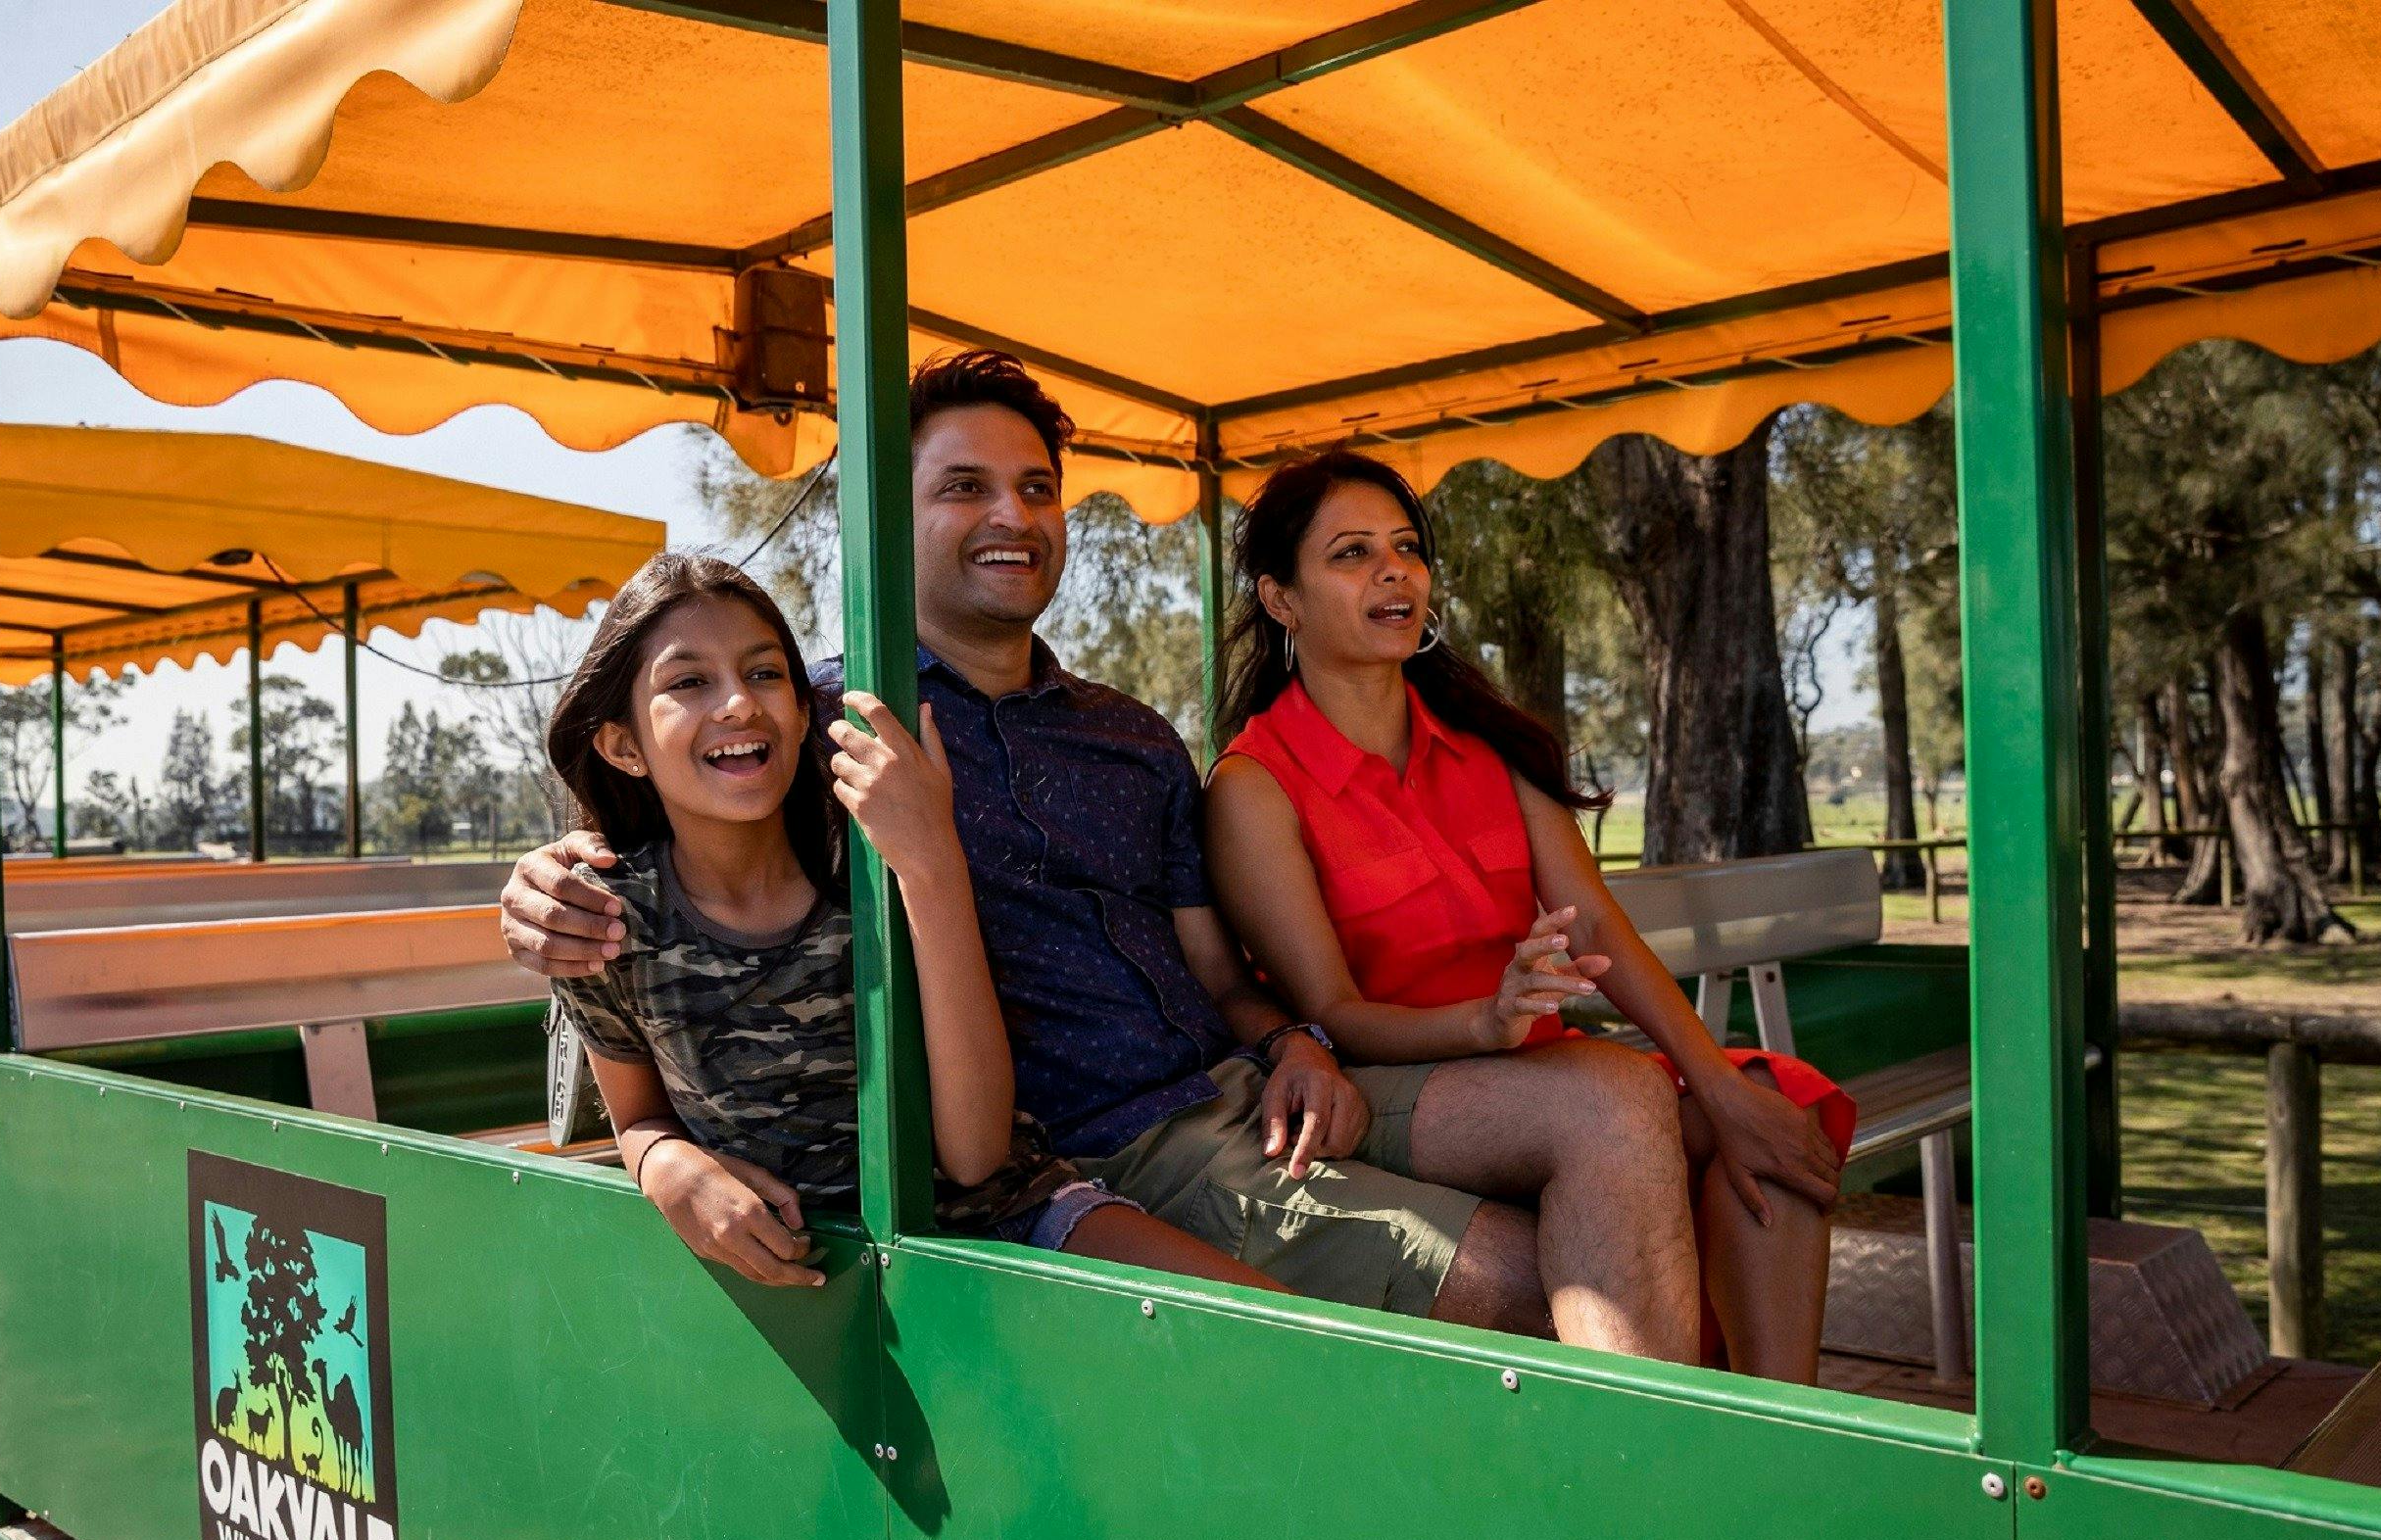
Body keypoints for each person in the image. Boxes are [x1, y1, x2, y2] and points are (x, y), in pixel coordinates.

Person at [504, 350, 1704, 1361]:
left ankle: (1712, 1523)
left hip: (1247, 1085)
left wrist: (1292, 1039)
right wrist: (546, 872)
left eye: (1036, 488)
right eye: (963, 487)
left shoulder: (1129, 736)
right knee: (1522, 1276)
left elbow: (1220, 973)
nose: (1012, 516)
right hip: (1104, 1138)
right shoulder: (824, 725)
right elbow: (675, 792)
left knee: (1624, 1106)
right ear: (887, 514)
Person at [1204, 449, 1854, 1381]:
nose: (1394, 571)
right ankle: (1650, 1466)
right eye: (1351, 554)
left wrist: (1711, 1078)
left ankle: (1782, 1436)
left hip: (1534, 1070)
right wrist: (1486, 1020)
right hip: (1389, 1082)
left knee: (1770, 1108)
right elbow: (1333, 1016)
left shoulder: (1486, 742)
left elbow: (1590, 921)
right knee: (1614, 1096)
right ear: (1280, 599)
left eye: (1405, 548)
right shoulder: (1255, 785)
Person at [540, 551, 1277, 1292]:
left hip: (1011, 1220)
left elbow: (977, 1154)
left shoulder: (871, 862)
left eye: (765, 673)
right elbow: (636, 1118)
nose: (737, 703)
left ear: (804, 714)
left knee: (1283, 1332)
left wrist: (931, 864)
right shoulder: (603, 917)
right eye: (689, 681)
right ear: (622, 744)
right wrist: (667, 1168)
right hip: (817, 1271)